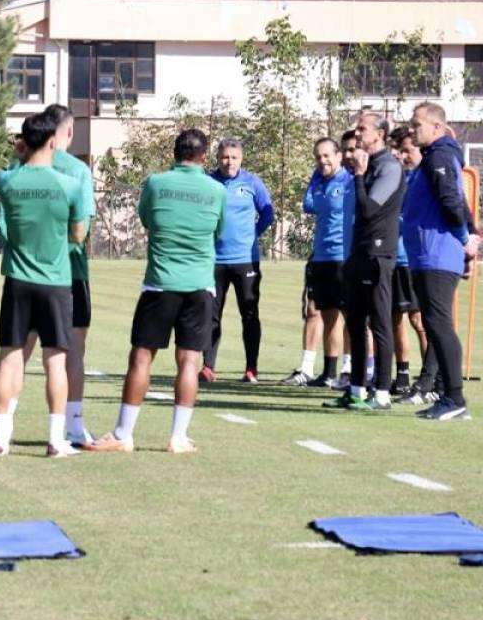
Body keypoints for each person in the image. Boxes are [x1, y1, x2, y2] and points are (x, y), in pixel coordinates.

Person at [87, 129, 225, 453]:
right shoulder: (217, 190)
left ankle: (123, 434)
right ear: (204, 156)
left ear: (175, 153)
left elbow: (147, 220)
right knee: (189, 361)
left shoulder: (156, 183)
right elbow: (219, 231)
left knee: (141, 357)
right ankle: (178, 437)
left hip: (160, 283)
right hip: (200, 285)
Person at [0, 112, 87, 458]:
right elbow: (78, 234)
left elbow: (9, 172)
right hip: (55, 280)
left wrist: (20, 155)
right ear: (53, 141)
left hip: (17, 279)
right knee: (55, 362)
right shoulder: (69, 184)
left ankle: (0, 438)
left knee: (9, 358)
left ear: (23, 142)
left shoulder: (6, 180)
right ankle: (56, 439)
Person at [14, 105, 99, 445]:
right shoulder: (77, 170)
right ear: (68, 132)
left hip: (24, 268)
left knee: (17, 351)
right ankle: (73, 426)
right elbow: (82, 229)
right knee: (72, 349)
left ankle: (4, 425)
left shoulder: (19, 166)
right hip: (67, 271)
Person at [403, 102, 480, 421]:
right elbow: (457, 201)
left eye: (417, 124)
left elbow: (452, 200)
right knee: (434, 324)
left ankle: (454, 398)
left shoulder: (440, 155)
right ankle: (448, 397)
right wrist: (471, 234)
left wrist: (465, 239)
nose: (411, 129)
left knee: (438, 324)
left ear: (437, 127)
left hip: (436, 254)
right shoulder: (433, 157)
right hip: (426, 255)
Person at [334, 111, 406, 411]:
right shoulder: (366, 165)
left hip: (378, 255)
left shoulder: (388, 166)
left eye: (362, 129)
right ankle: (357, 390)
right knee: (355, 323)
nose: (357, 133)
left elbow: (368, 210)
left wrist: (360, 176)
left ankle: (383, 393)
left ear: (380, 134)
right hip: (359, 253)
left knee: (380, 323)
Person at [282, 138, 353, 387]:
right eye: (318, 157)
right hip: (321, 257)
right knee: (324, 313)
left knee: (350, 316)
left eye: (326, 156)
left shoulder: (350, 181)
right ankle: (327, 372)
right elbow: (308, 205)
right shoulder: (320, 183)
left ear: (339, 156)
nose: (322, 161)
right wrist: (315, 177)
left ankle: (349, 370)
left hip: (344, 257)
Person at [203, 138, 273, 384]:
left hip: (246, 261)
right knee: (211, 315)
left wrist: (252, 234)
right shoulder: (208, 182)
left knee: (250, 314)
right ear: (217, 158)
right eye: (224, 157)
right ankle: (208, 367)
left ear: (241, 158)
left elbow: (267, 212)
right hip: (214, 261)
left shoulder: (252, 182)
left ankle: (251, 368)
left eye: (234, 157)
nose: (229, 162)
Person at [388, 126, 430, 398]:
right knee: (395, 319)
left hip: (410, 259)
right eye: (396, 150)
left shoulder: (420, 179)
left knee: (418, 319)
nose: (401, 156)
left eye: (405, 150)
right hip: (391, 259)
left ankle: (430, 376)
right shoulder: (397, 178)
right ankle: (402, 375)